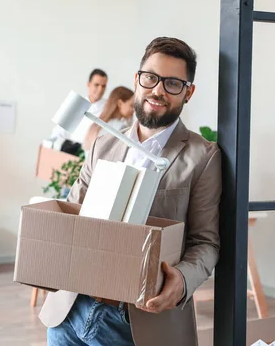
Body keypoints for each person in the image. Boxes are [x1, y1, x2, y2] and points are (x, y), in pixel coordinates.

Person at [40, 37, 222, 346]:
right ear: (137, 80)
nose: (158, 90)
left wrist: (180, 281)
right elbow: (72, 212)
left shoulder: (202, 156)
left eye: (173, 83)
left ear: (188, 92)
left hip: (134, 323)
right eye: (151, 78)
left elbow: (206, 243)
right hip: (71, 310)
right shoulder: (104, 143)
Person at [50, 69, 108, 151]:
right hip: (70, 151)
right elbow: (58, 132)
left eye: (103, 86)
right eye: (96, 85)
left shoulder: (108, 108)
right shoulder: (75, 103)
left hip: (92, 153)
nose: (100, 89)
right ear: (88, 84)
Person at [83, 86, 134, 151]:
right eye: (131, 105)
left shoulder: (96, 125)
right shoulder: (121, 128)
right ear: (120, 103)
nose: (133, 110)